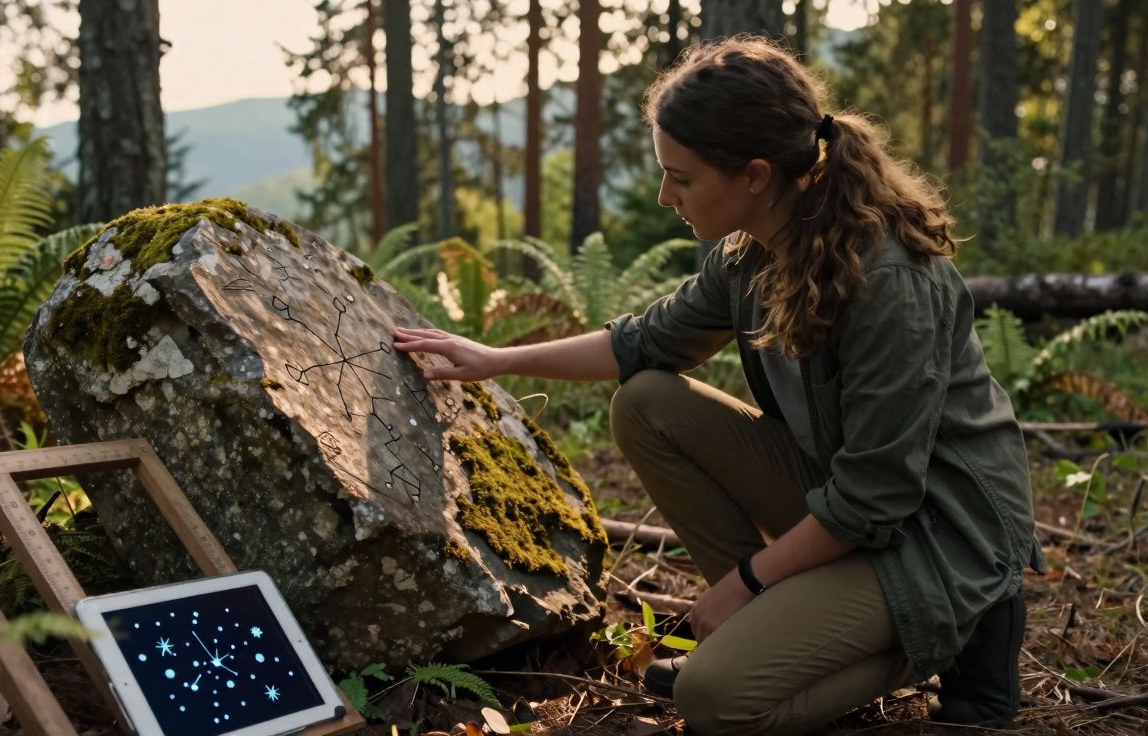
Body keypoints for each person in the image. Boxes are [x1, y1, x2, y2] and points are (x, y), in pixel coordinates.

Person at [394, 36, 1044, 736]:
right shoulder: (750, 255)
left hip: (934, 531)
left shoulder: (887, 283)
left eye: (682, 177)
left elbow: (879, 494)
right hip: (850, 501)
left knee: (713, 701)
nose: (664, 196)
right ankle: (783, 634)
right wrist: (493, 358)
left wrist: (748, 583)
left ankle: (962, 626)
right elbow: (642, 344)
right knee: (649, 403)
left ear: (756, 175)